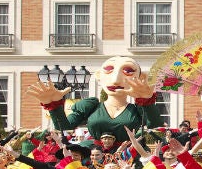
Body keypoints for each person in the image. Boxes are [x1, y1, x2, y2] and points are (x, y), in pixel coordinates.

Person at [25, 55, 164, 143]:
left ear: (141, 78)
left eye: (128, 71)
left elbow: (154, 124)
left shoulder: (137, 109)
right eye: (109, 69)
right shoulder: (91, 106)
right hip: (95, 157)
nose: (115, 80)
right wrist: (53, 105)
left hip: (130, 157)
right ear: (99, 76)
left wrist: (146, 100)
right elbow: (65, 126)